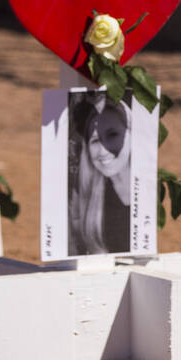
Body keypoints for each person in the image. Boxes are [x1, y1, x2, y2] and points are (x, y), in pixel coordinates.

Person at [68, 93, 132, 255]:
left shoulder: (147, 188)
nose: (103, 151)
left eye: (112, 135)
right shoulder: (87, 197)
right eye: (95, 140)